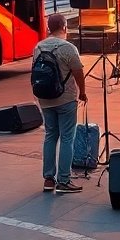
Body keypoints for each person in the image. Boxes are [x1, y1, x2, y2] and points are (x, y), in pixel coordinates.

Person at [33, 12, 87, 195]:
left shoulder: (38, 47)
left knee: (50, 136)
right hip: (65, 99)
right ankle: (64, 180)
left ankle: (49, 179)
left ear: (49, 27)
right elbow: (78, 72)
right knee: (67, 138)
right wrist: (83, 93)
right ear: (65, 27)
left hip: (45, 99)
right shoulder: (68, 48)